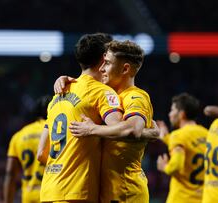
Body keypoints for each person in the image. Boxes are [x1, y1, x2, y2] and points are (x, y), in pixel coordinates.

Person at [37, 33, 127, 203]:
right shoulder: (101, 92)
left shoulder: (57, 95)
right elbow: (122, 131)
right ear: (104, 59)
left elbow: (41, 153)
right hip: (78, 192)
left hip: (49, 191)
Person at [65, 40, 156, 203]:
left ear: (125, 68)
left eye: (107, 63)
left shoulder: (136, 96)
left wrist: (91, 130)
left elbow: (133, 129)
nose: (101, 69)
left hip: (126, 191)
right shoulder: (113, 97)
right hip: (111, 191)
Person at [156, 93, 208, 203]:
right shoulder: (207, 134)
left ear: (182, 114)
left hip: (181, 198)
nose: (170, 114)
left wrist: (164, 166)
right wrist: (165, 137)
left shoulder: (178, 136)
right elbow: (189, 145)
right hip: (203, 198)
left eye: (172, 110)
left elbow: (176, 166)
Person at [4, 95, 52, 203]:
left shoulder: (18, 136)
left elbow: (10, 174)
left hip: (28, 196)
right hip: (50, 195)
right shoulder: (55, 130)